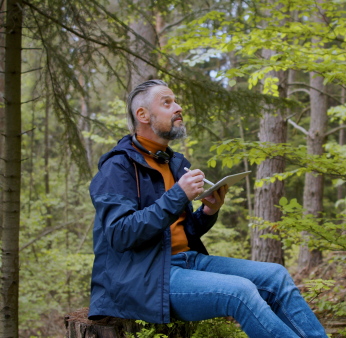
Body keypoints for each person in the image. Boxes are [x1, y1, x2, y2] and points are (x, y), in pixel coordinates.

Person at [88, 79, 328, 338]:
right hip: (143, 278)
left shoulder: (173, 162)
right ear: (142, 115)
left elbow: (179, 231)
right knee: (240, 292)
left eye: (176, 101)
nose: (178, 107)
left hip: (188, 262)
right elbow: (119, 233)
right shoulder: (118, 167)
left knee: (276, 276)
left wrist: (207, 212)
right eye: (167, 102)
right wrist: (177, 195)